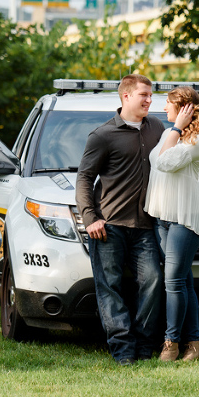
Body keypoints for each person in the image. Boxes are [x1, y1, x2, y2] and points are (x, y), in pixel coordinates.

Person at [75, 74, 165, 365]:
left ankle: (144, 346)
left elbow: (169, 171)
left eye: (150, 95)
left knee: (152, 281)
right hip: (109, 227)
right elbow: (84, 178)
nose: (149, 100)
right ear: (126, 96)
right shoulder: (102, 135)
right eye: (144, 95)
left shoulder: (158, 129)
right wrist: (90, 218)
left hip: (146, 226)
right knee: (109, 287)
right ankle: (123, 350)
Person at [144, 86, 199, 362]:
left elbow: (164, 162)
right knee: (184, 282)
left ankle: (171, 344)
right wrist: (174, 128)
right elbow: (167, 172)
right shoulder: (169, 133)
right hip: (162, 216)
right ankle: (196, 345)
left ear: (184, 109)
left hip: (184, 218)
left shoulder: (196, 139)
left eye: (168, 104)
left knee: (173, 282)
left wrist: (177, 127)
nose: (163, 108)